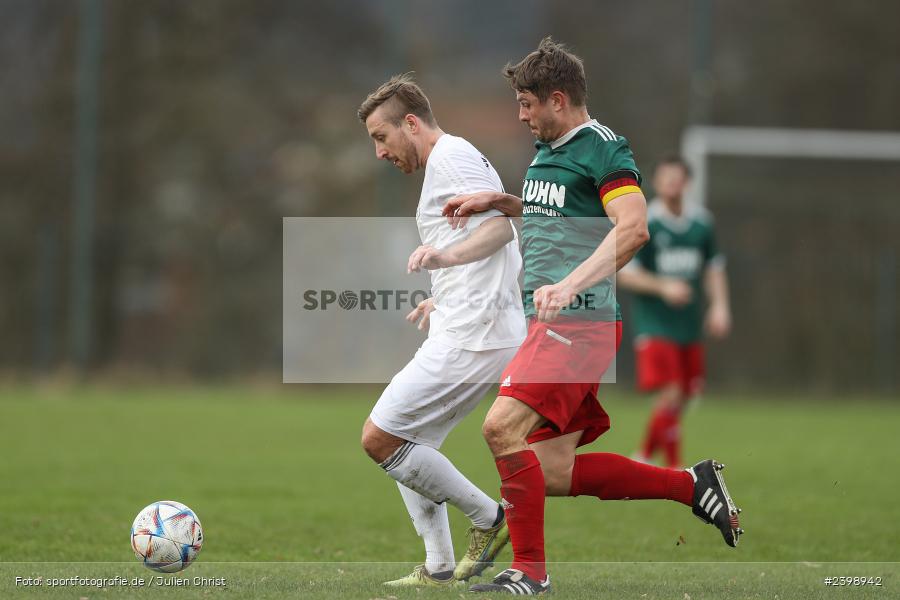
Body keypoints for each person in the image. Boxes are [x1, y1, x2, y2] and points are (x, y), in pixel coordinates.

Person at [442, 38, 743, 595]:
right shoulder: (551, 148)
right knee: (551, 471)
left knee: (500, 428)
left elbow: (632, 228)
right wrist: (502, 202)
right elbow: (557, 208)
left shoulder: (604, 149)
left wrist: (570, 284)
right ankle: (690, 485)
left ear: (558, 99)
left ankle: (530, 574)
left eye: (527, 103)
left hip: (577, 323)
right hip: (554, 321)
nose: (520, 114)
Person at [357, 73, 526, 586]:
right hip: (469, 322)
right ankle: (437, 567)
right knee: (410, 443)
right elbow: (481, 234)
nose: (380, 153)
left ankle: (490, 518)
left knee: (380, 438)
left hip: (475, 335)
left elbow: (500, 226)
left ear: (411, 123)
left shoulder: (449, 157)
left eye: (381, 137)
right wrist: (446, 289)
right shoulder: (449, 161)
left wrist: (447, 257)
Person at [618, 155, 732, 468]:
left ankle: (642, 456)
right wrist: (663, 286)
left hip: (689, 325)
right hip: (655, 323)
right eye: (666, 177)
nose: (672, 183)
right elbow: (625, 273)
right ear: (656, 182)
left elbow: (714, 268)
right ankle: (675, 470)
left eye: (677, 177)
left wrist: (720, 306)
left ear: (687, 182)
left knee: (684, 396)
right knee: (671, 392)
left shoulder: (701, 223)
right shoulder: (648, 222)